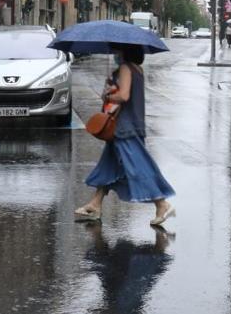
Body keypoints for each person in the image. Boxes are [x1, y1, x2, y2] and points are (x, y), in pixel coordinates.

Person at [75, 45, 176, 225]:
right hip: (129, 126)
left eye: (117, 51)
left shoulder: (125, 68)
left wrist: (108, 96)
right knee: (108, 166)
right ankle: (95, 204)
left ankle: (162, 203)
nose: (115, 54)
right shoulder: (137, 69)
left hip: (125, 128)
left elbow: (124, 96)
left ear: (125, 52)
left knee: (138, 166)